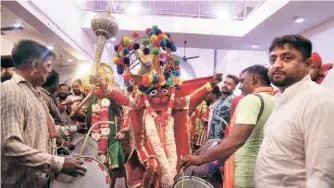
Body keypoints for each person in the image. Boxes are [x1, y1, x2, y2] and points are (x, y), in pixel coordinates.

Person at [1, 39, 86, 188]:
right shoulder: (12, 92)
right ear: (34, 66)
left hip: (37, 180)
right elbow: (10, 145)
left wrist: (75, 129)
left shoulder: (34, 94)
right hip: (20, 182)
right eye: (48, 66)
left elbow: (47, 130)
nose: (49, 71)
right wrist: (58, 163)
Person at [255, 35, 334, 188]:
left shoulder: (319, 100)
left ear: (308, 64)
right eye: (272, 59)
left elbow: (322, 175)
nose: (276, 65)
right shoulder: (281, 100)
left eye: (287, 58)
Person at [179, 65, 274, 188]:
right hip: (263, 169)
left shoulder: (251, 100)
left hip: (245, 172)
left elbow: (236, 140)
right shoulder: (273, 99)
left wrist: (201, 159)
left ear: (254, 79)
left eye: (242, 81)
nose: (240, 87)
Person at [208, 74, 239, 140]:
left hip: (223, 141)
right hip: (211, 140)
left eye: (229, 84)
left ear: (234, 87)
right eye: (225, 82)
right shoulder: (218, 101)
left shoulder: (234, 101)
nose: (225, 85)